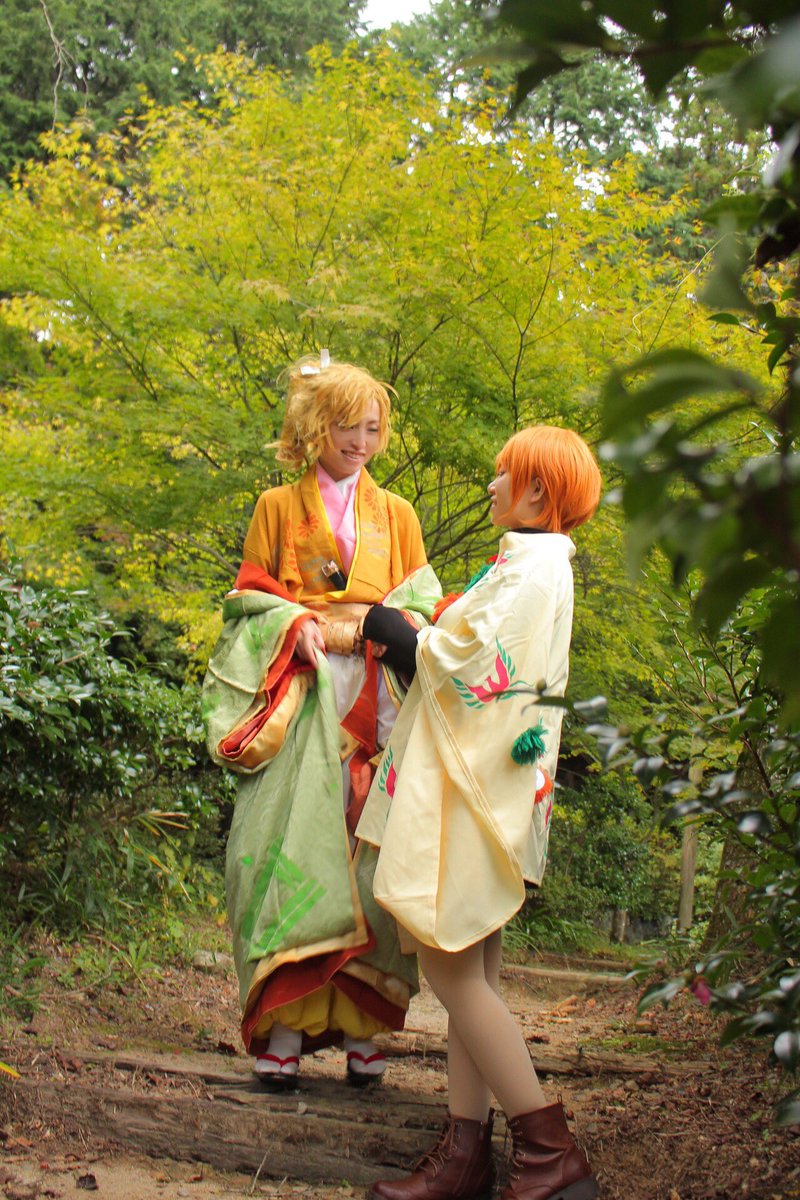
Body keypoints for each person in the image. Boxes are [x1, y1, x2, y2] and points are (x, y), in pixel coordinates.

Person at [357, 426, 602, 1200]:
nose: (491, 485)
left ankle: (550, 1152)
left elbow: (476, 667)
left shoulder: (534, 569)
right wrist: (418, 640)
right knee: (473, 970)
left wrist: (404, 637)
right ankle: (465, 1157)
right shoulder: (529, 563)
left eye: (503, 474)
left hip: (474, 792)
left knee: (449, 965)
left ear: (537, 490)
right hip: (486, 787)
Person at [203, 352, 441, 1088]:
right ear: (315, 426)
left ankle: (365, 1030)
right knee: (290, 848)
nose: (360, 442)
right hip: (300, 691)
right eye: (346, 427)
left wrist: (384, 625)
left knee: (368, 847)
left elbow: (422, 603)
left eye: (371, 429)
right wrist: (292, 623)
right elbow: (248, 597)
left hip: (375, 694)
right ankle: (284, 1026)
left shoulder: (397, 515)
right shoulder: (277, 506)